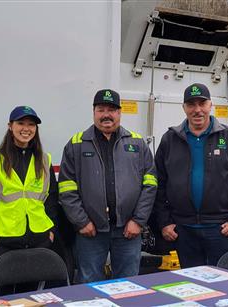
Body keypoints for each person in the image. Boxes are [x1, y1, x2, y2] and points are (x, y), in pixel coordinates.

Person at [59, 89, 157, 282]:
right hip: (91, 232)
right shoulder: (77, 144)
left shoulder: (137, 144)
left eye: (111, 109)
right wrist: (82, 222)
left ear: (120, 113)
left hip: (128, 231)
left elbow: (150, 185)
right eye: (101, 109)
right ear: (94, 112)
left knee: (128, 285)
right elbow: (66, 188)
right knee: (90, 285)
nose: (106, 115)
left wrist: (138, 221)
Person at [154, 83, 228, 268]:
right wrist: (164, 222)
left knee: (226, 284)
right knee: (192, 287)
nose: (197, 110)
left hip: (221, 230)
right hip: (184, 230)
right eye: (191, 104)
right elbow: (158, 183)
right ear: (184, 108)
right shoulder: (170, 139)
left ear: (210, 105)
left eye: (202, 103)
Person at [0, 106, 58, 287]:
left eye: (31, 124)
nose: (26, 128)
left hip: (39, 240)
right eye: (20, 123)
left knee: (30, 298)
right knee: (2, 299)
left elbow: (51, 198)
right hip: (4, 242)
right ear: (10, 126)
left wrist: (51, 232)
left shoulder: (44, 160)